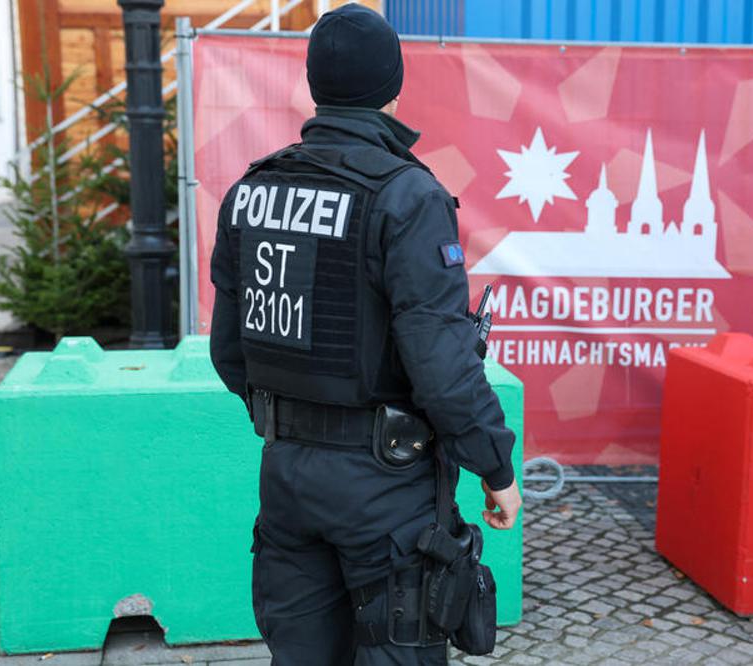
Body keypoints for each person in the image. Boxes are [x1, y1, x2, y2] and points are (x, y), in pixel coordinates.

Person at [208, 5, 522, 665]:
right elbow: (443, 366)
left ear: (314, 85)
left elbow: (231, 350)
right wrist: (495, 468)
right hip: (384, 487)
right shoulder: (407, 195)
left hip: (287, 473)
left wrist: (297, 421)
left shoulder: (252, 191)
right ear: (394, 89)